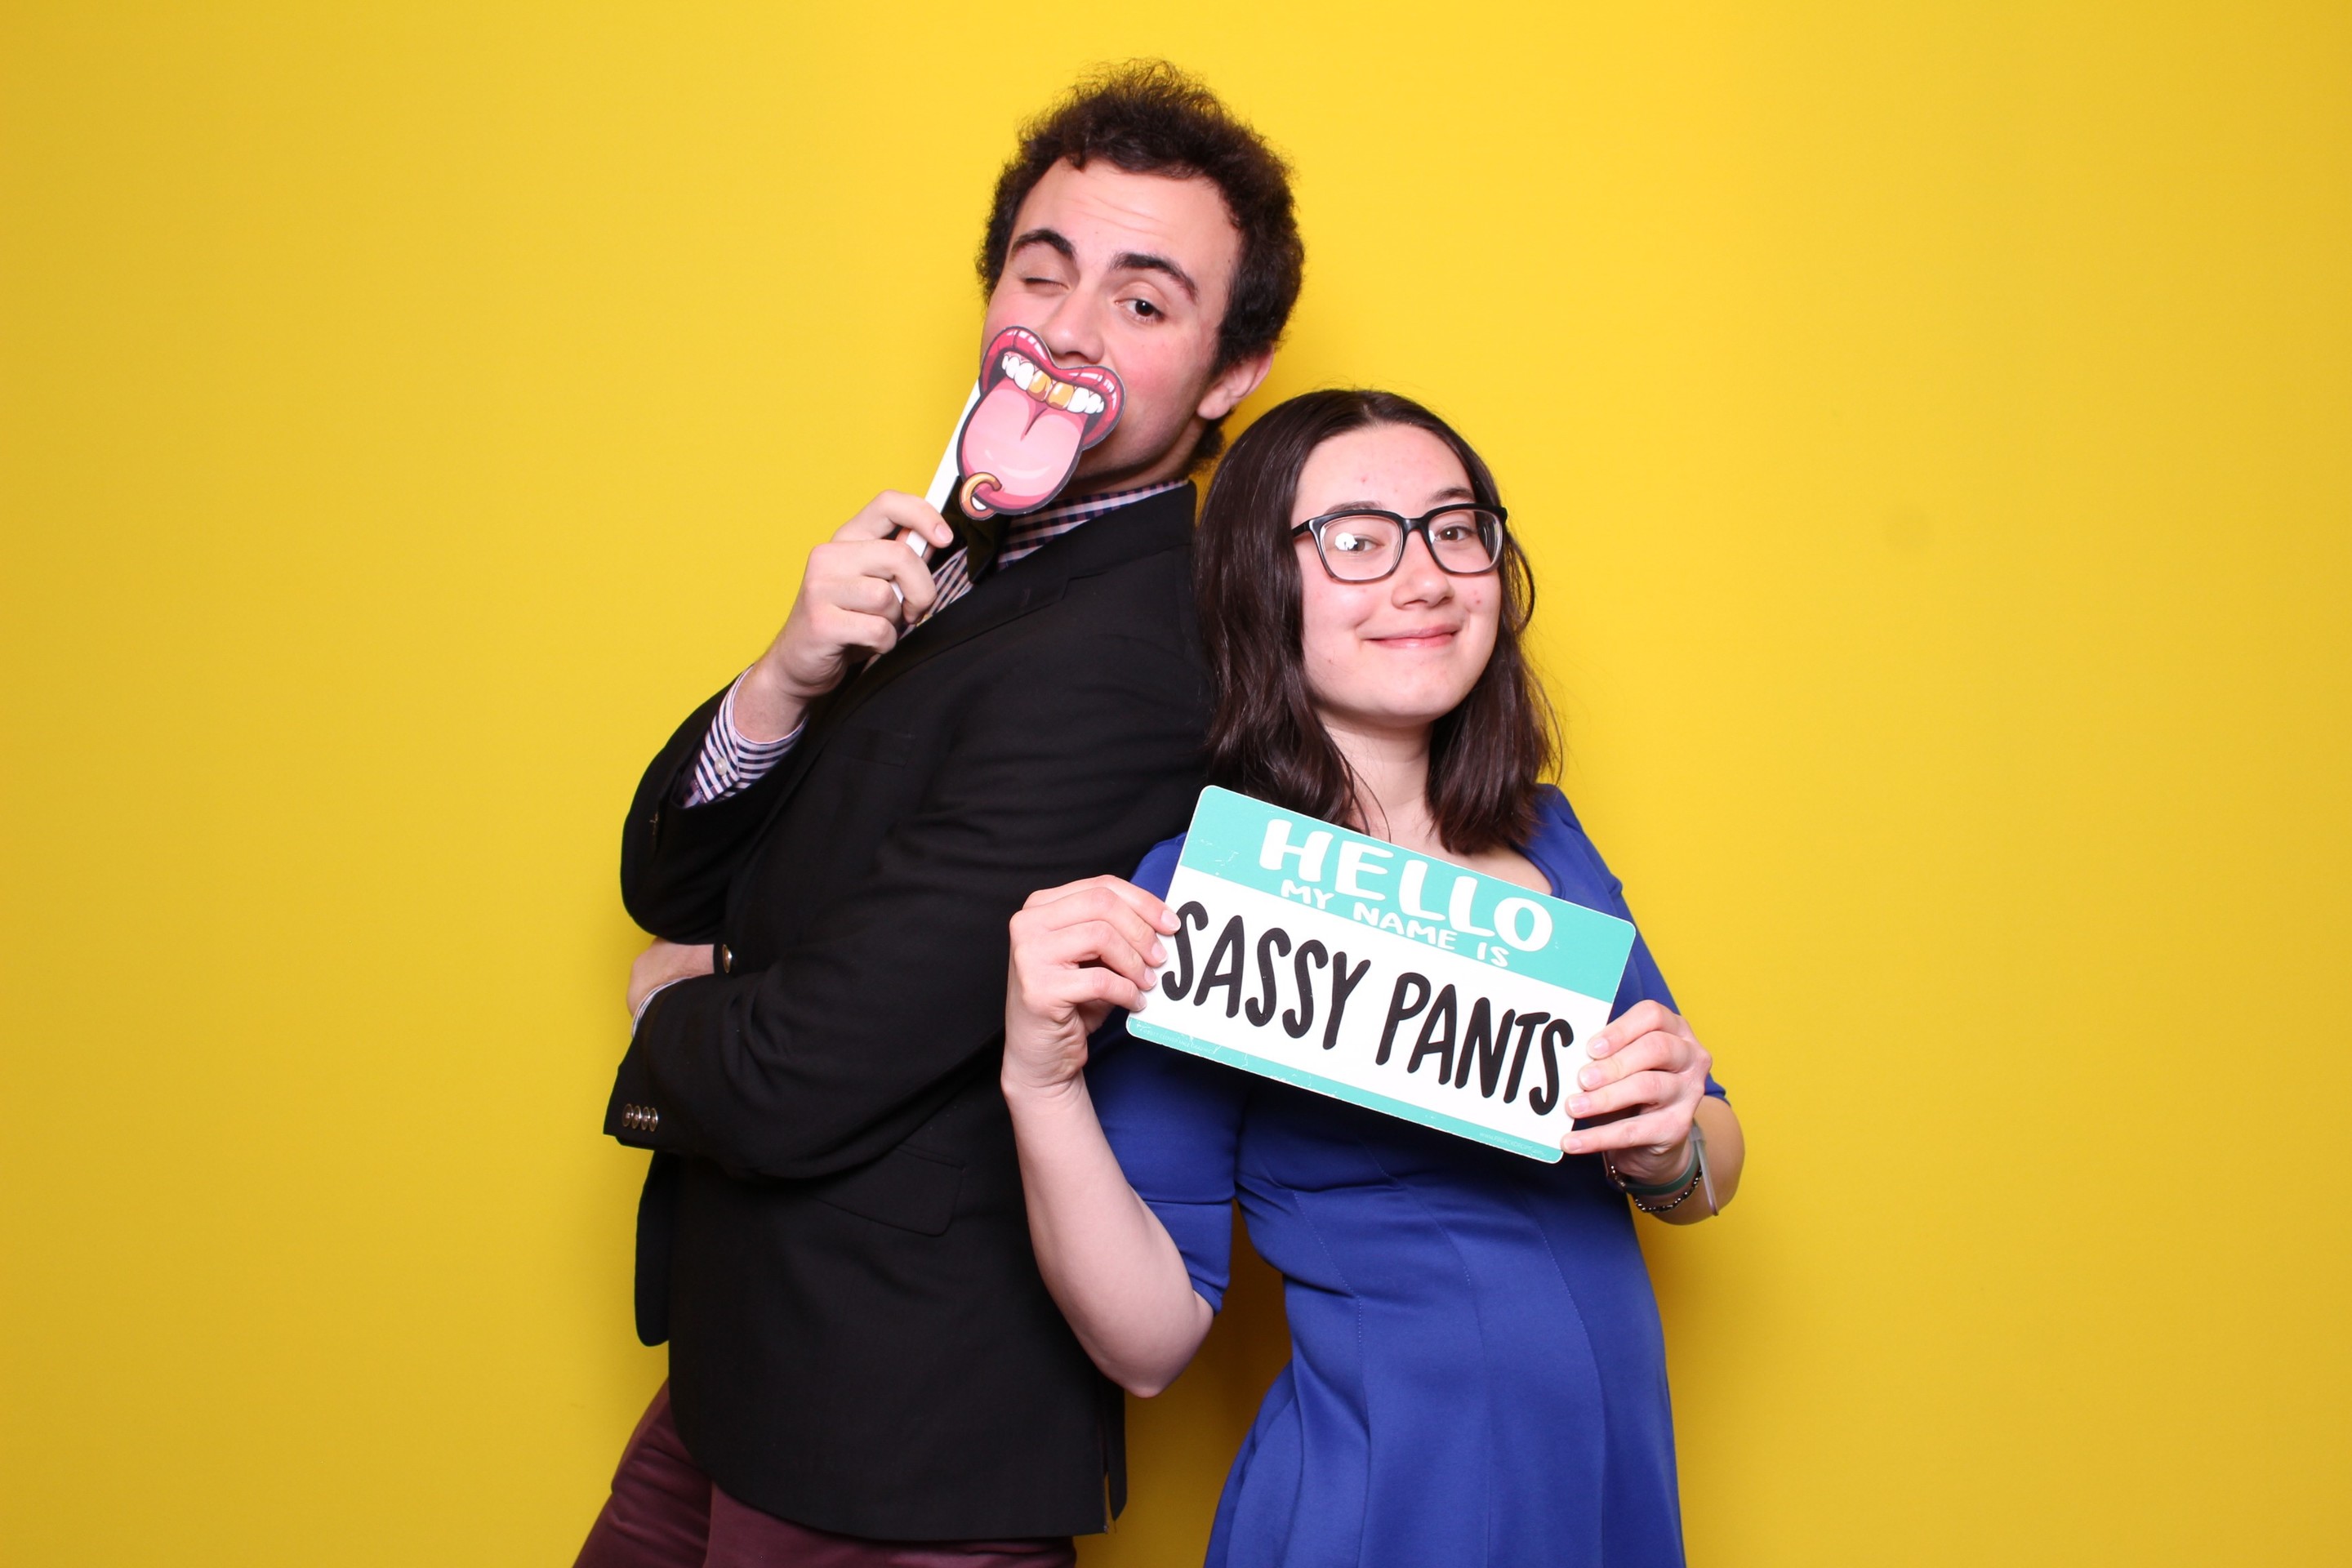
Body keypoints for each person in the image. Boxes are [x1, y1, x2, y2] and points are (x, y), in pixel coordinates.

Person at [578, 65, 1303, 1568]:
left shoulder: (1141, 653)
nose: (1069, 331)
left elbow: (806, 1065)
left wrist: (669, 1005)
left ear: (1231, 373)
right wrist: (783, 676)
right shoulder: (956, 549)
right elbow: (670, 876)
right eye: (1042, 272)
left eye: (1143, 301)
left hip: (894, 1433)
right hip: (749, 1368)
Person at [1000, 390, 1748, 1568]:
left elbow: (1709, 1156)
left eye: (1455, 529)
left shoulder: (1548, 839)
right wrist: (1037, 1083)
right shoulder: (1209, 892)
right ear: (1262, 584)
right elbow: (1147, 1343)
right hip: (1392, 1502)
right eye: (1356, 539)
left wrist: (1671, 1149)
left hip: (1605, 1488)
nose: (1425, 578)